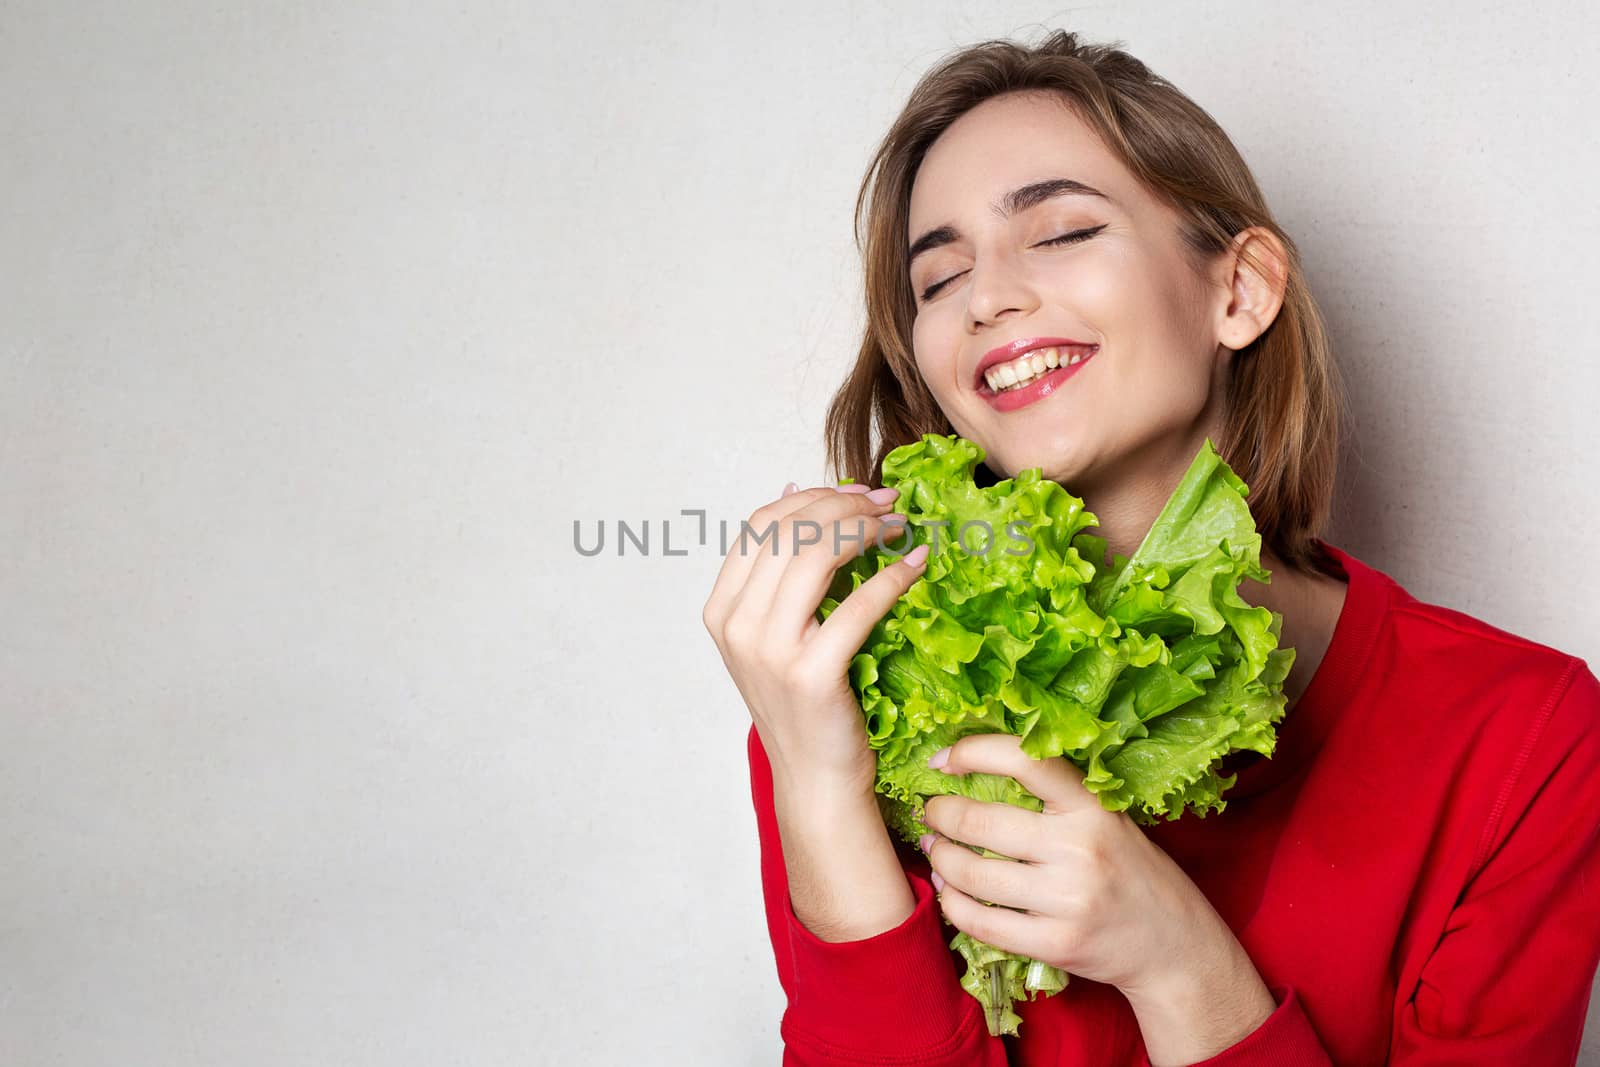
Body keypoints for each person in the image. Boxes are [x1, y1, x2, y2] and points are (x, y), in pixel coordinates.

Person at [701, 30, 1600, 1067]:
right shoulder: (830, 695)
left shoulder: (1530, 741)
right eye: (939, 279)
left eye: (1061, 231)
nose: (986, 297)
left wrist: (1177, 960)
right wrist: (818, 788)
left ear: (1239, 291)